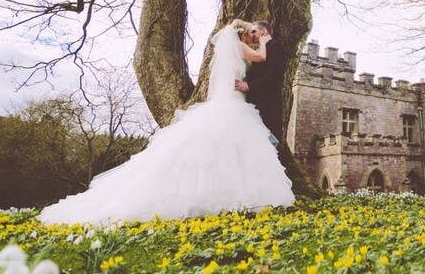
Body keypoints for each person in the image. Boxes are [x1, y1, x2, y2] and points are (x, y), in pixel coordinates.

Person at [38, 20, 294, 225]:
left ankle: (230, 194)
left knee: (224, 147)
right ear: (241, 35)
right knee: (229, 145)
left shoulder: (231, 50)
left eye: (255, 32)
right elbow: (262, 57)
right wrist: (263, 40)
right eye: (251, 32)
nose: (253, 35)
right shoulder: (240, 48)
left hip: (232, 98)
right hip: (232, 102)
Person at [234, 21, 284, 146]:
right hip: (255, 104)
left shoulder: (275, 46)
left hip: (268, 105)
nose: (252, 34)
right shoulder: (260, 50)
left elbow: (274, 76)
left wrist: (249, 85)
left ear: (264, 31)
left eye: (254, 31)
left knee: (265, 144)